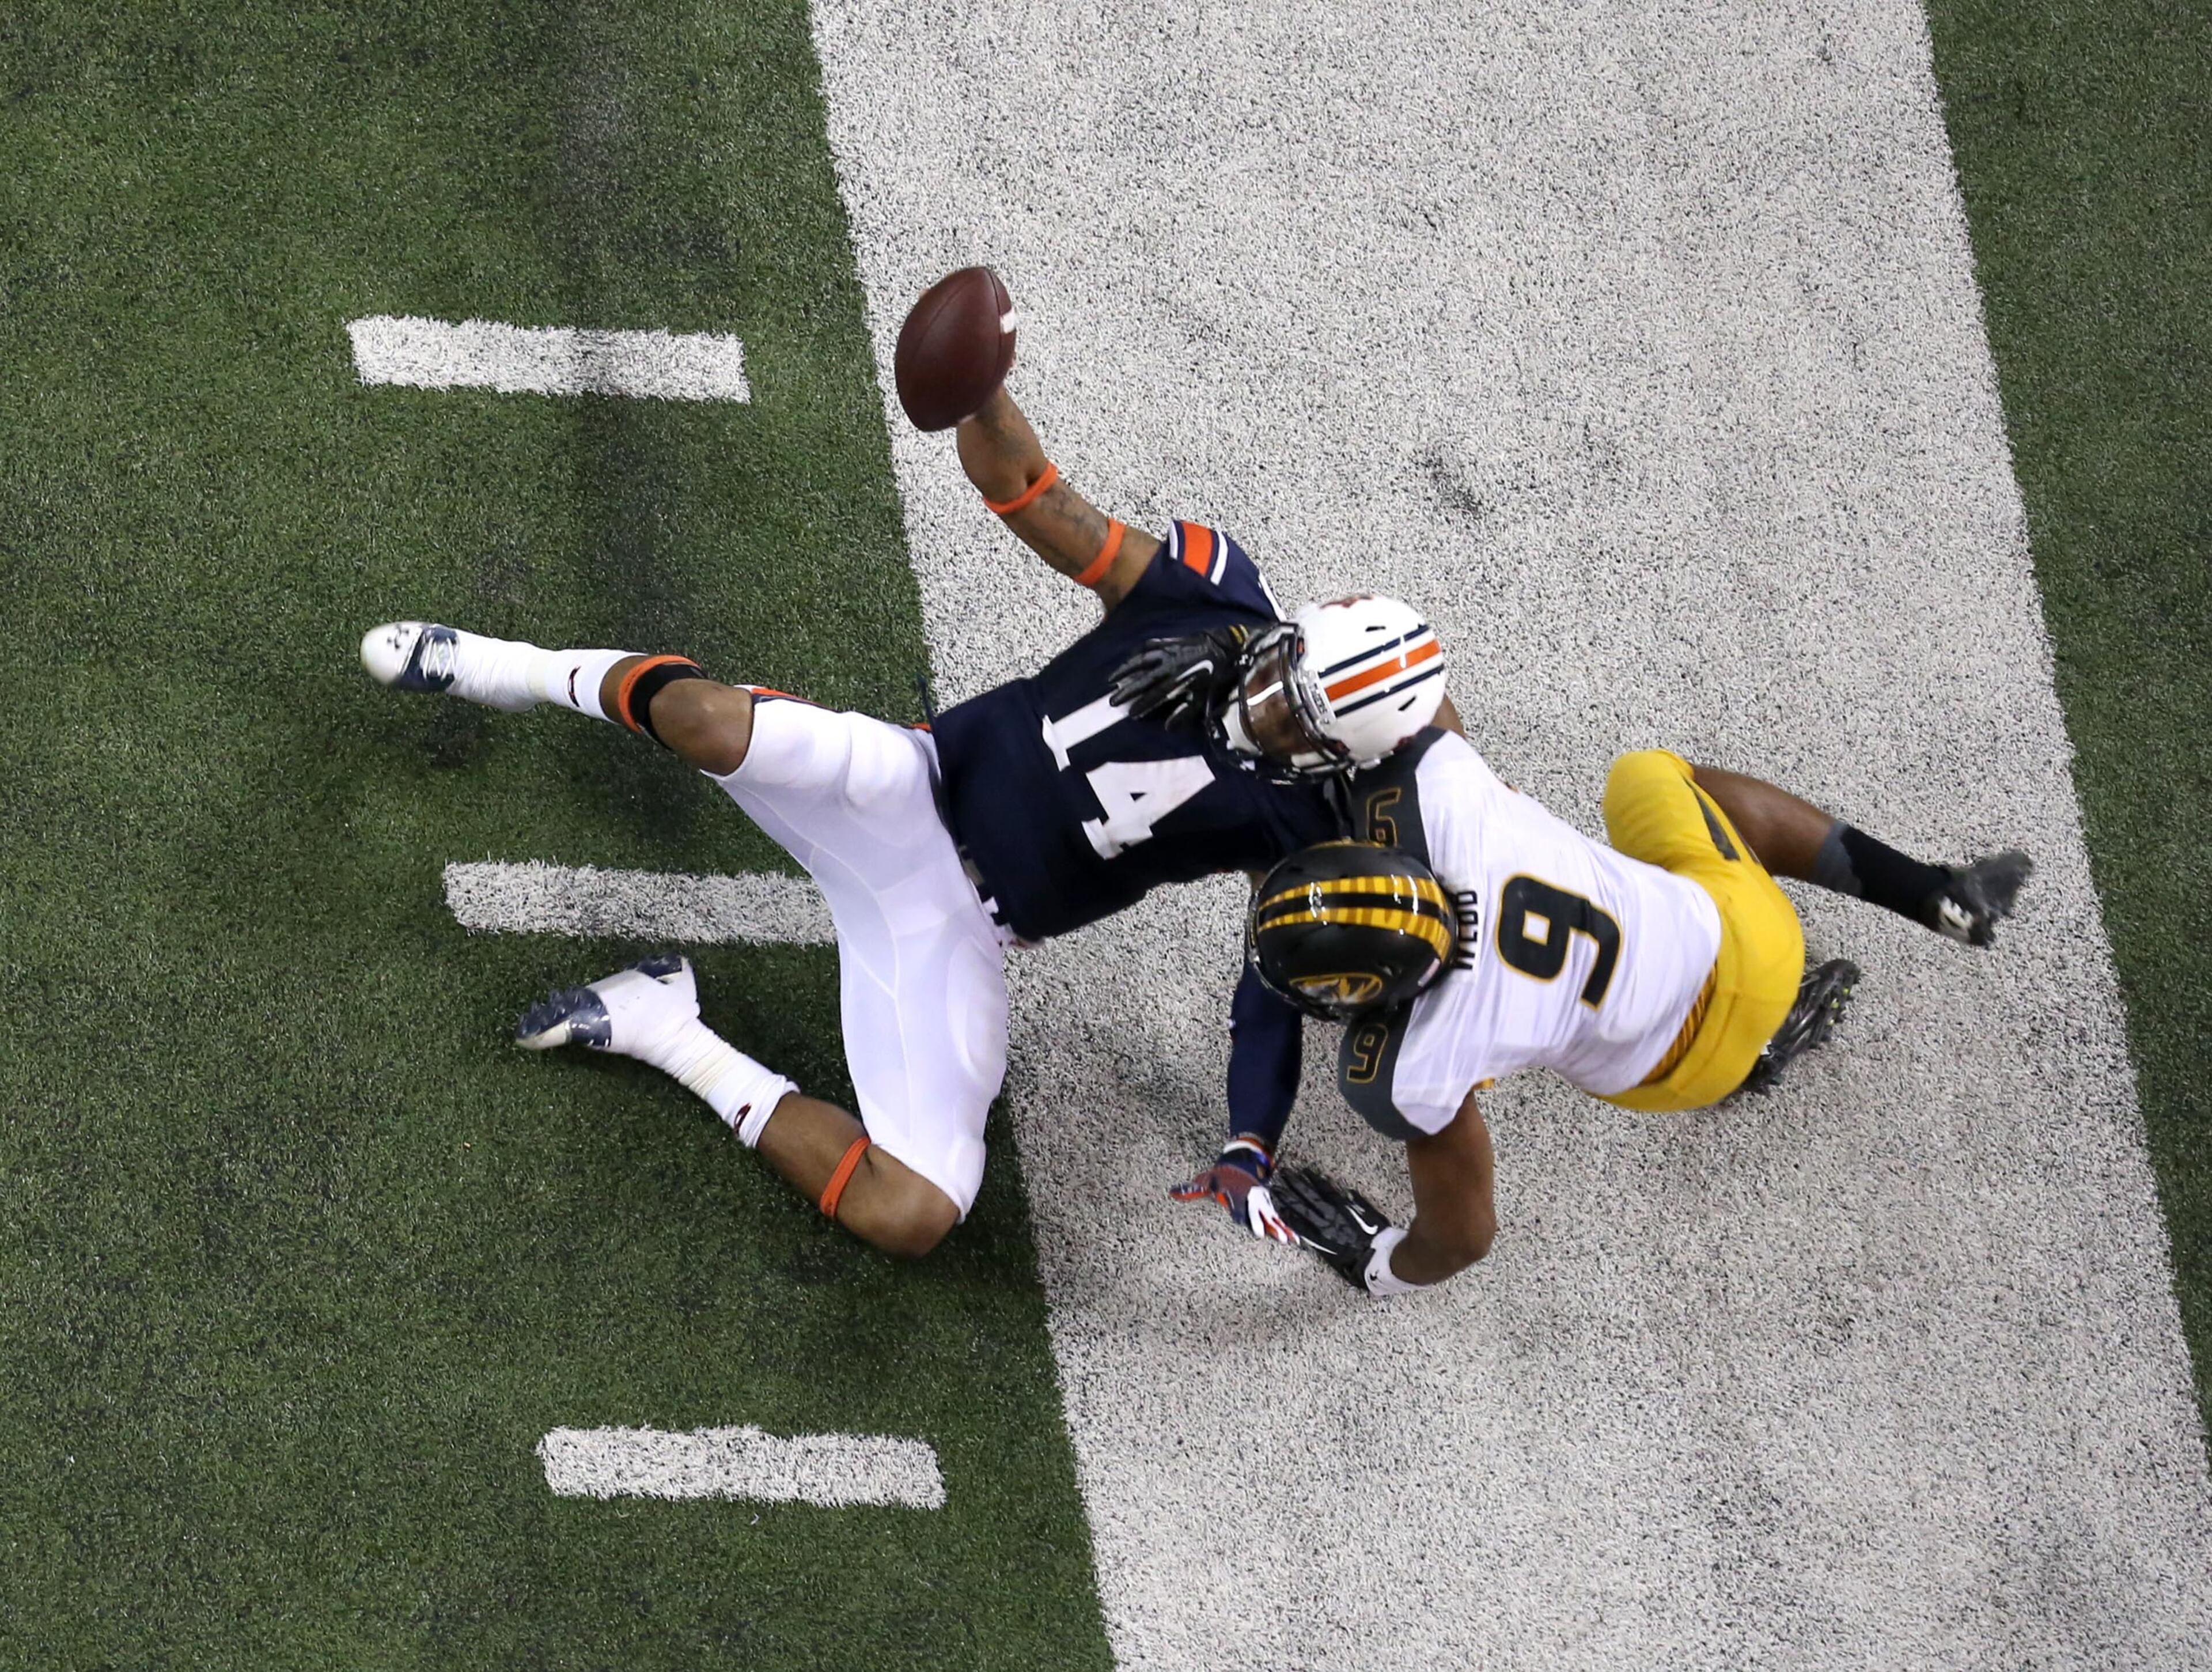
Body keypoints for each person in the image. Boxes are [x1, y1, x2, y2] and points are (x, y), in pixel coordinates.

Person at [358, 383, 1449, 1258]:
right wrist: (978, 388)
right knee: (704, 718)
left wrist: (1250, 1143)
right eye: (1284, 670)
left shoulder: (1309, 824)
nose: (1267, 701)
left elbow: (1272, 984)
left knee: (916, 1210)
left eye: (1298, 717)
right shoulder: (1208, 594)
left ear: (1345, 755)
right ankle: (504, 667)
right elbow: (1027, 487)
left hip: (956, 928)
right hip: (905, 785)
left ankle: (663, 1026)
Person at [1168, 696, 2032, 1296]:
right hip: (1751, 935)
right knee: (1647, 777)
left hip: (1678, 1071)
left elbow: (1465, 1236)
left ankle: (1761, 1052)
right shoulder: (1441, 789)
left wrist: (1376, 1265)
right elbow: (1416, 696)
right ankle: (1931, 892)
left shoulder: (1409, 1069)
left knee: (1494, 1062)